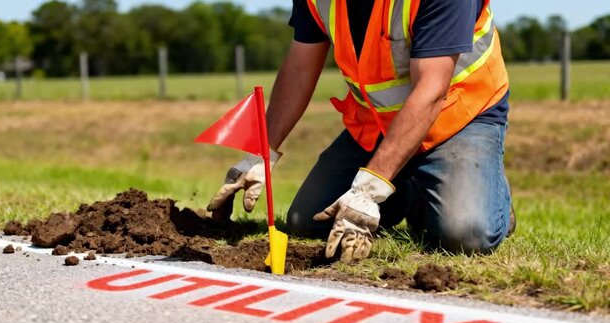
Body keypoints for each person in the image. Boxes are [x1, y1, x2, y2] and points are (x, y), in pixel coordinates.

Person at [207, 0, 515, 263]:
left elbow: (432, 89)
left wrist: (368, 190)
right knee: (308, 221)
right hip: (378, 125)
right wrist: (263, 152)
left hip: (460, 117)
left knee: (463, 234)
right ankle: (413, 187)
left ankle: (492, 203)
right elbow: (301, 66)